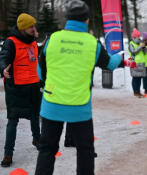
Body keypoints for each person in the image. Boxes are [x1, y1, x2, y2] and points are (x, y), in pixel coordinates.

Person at [34, 1, 121, 174]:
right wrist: (119, 56)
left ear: (67, 18)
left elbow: (40, 72)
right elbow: (110, 65)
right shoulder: (92, 43)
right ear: (86, 20)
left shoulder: (52, 39)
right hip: (79, 107)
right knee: (85, 150)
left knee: (47, 150)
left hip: (52, 104)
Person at [0, 13, 41, 167]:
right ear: (23, 28)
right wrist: (4, 68)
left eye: (34, 26)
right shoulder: (10, 42)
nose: (33, 29)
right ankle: (8, 154)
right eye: (31, 26)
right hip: (16, 88)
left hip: (33, 85)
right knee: (12, 121)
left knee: (35, 115)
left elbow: (36, 60)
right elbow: (3, 57)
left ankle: (37, 139)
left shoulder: (33, 42)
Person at [129, 28, 146, 98]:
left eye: (139, 36)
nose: (139, 37)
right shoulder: (131, 43)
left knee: (139, 78)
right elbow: (134, 51)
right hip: (134, 63)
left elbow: (144, 53)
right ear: (134, 37)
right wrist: (140, 46)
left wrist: (144, 47)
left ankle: (138, 91)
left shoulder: (141, 43)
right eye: (138, 36)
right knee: (135, 78)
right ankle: (135, 92)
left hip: (141, 63)